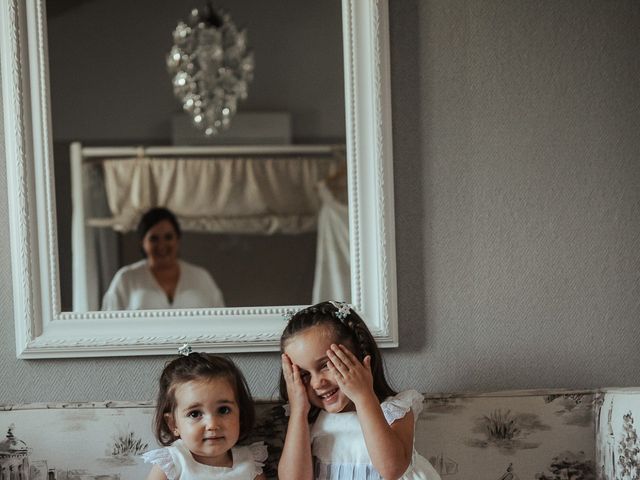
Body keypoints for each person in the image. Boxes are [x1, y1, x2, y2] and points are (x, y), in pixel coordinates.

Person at [278, 300, 441, 480]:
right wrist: (298, 411)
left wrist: (364, 397)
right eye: (303, 375)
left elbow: (392, 470)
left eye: (326, 365)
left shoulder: (394, 410)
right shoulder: (310, 422)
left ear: (361, 354)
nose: (317, 383)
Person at [142, 349, 267, 479]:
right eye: (195, 414)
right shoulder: (173, 463)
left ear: (240, 414)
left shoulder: (249, 463)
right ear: (173, 424)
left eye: (223, 410)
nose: (212, 424)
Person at [101, 207, 225, 310]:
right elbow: (108, 325)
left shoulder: (201, 277)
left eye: (168, 237)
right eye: (154, 239)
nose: (161, 246)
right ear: (142, 243)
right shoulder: (126, 279)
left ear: (178, 239)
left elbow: (221, 323)